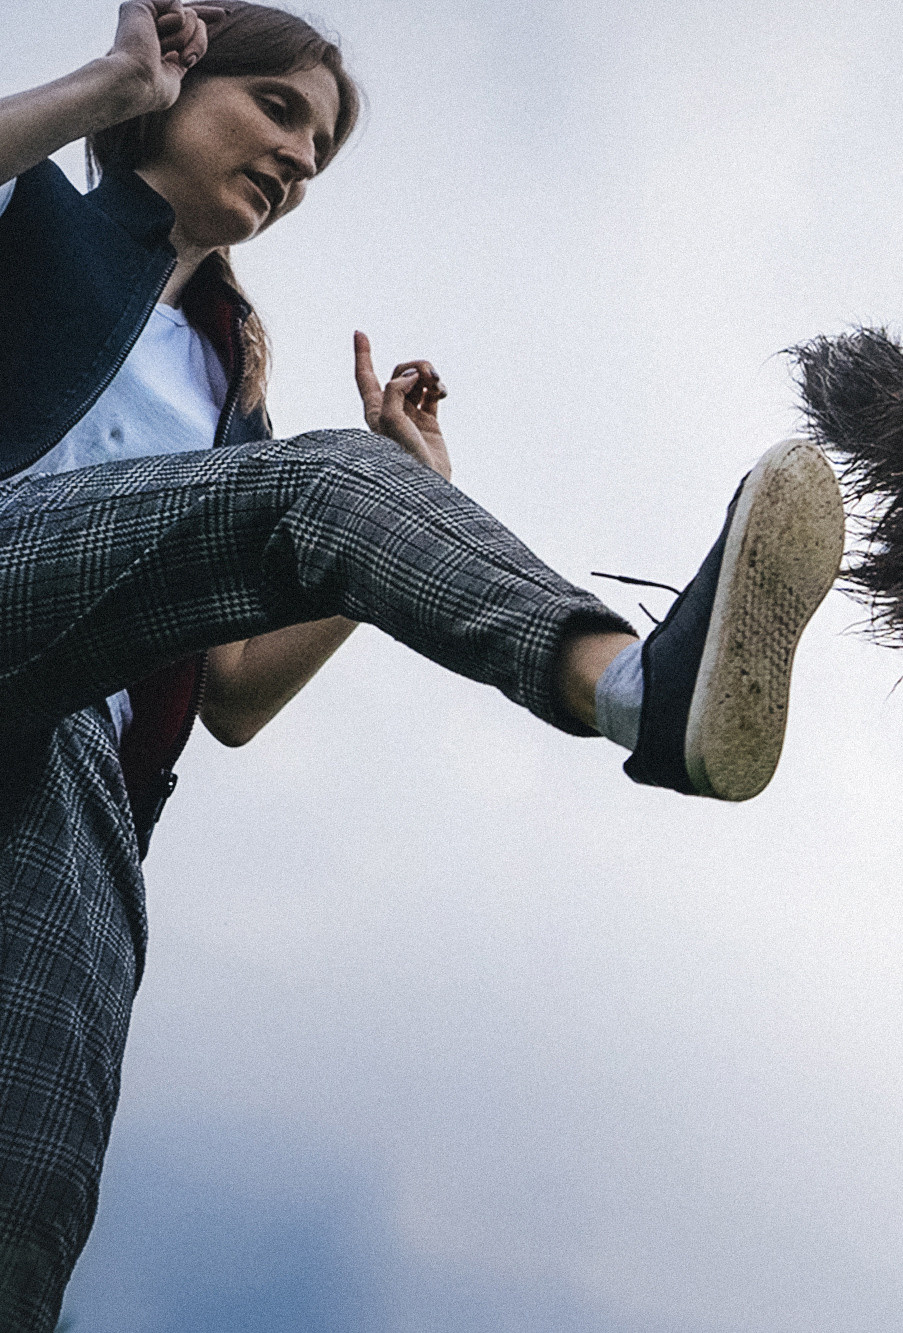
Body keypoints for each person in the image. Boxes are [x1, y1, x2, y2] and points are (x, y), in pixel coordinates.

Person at [0, 2, 845, 1324]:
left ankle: (657, 704)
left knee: (22, 1196)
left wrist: (389, 499)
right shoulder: (37, 217)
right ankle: (633, 687)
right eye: (278, 109)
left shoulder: (232, 395)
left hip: (74, 768)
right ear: (182, 86)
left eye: (319, 152)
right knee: (317, 488)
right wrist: (108, 84)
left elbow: (229, 699)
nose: (297, 160)